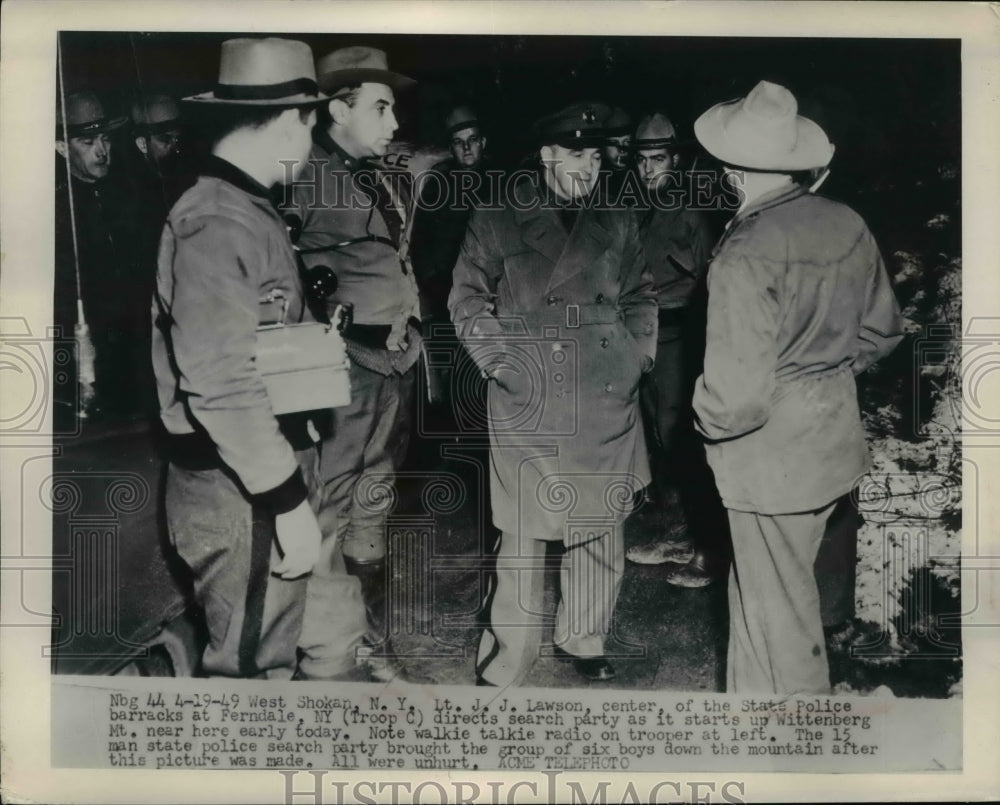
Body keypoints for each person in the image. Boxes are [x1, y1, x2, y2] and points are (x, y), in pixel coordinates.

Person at [152, 37, 365, 679]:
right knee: (252, 671)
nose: (312, 143)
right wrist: (287, 503)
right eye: (311, 125)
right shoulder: (216, 221)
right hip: (241, 488)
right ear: (289, 121)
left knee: (325, 634)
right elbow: (220, 383)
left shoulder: (249, 207)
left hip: (277, 463)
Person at [691, 80, 905, 693]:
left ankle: (798, 734)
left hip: (769, 462)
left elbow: (735, 401)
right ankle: (755, 728)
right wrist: (822, 376)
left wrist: (700, 418)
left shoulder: (744, 250)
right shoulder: (846, 221)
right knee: (766, 598)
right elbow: (883, 330)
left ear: (732, 171)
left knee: (779, 616)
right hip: (831, 440)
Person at [450, 102, 658, 685]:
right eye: (575, 154)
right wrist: (501, 363)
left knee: (599, 519)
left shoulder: (617, 214)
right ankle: (508, 654)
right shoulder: (499, 212)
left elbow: (641, 292)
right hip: (530, 388)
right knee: (522, 527)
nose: (588, 166)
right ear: (546, 155)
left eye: (595, 155)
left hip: (603, 386)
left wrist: (637, 356)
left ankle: (584, 636)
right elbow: (466, 297)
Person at [283, 46, 421, 682]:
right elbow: (279, 272)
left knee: (375, 492)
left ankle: (367, 631)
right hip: (342, 365)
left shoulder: (378, 173)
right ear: (338, 110)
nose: (394, 122)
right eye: (380, 108)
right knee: (332, 502)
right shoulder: (302, 176)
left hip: (393, 358)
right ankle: (333, 649)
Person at [624, 111, 731, 588]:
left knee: (682, 437)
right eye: (642, 160)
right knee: (657, 438)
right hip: (643, 333)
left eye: (658, 159)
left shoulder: (693, 211)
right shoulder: (636, 204)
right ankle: (677, 530)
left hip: (680, 335)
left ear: (676, 160)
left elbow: (714, 282)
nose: (648, 169)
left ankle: (708, 549)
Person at [410, 105, 496, 430]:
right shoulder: (439, 184)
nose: (467, 148)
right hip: (447, 298)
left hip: (493, 298)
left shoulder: (502, 182)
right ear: (451, 147)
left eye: (473, 140)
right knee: (452, 380)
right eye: (459, 142)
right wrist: (435, 287)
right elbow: (421, 242)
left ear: (483, 142)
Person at [54, 90, 134, 423]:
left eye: (106, 139)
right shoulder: (57, 208)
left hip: (129, 352)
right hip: (80, 356)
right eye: (88, 142)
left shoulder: (126, 194)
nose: (102, 151)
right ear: (62, 147)